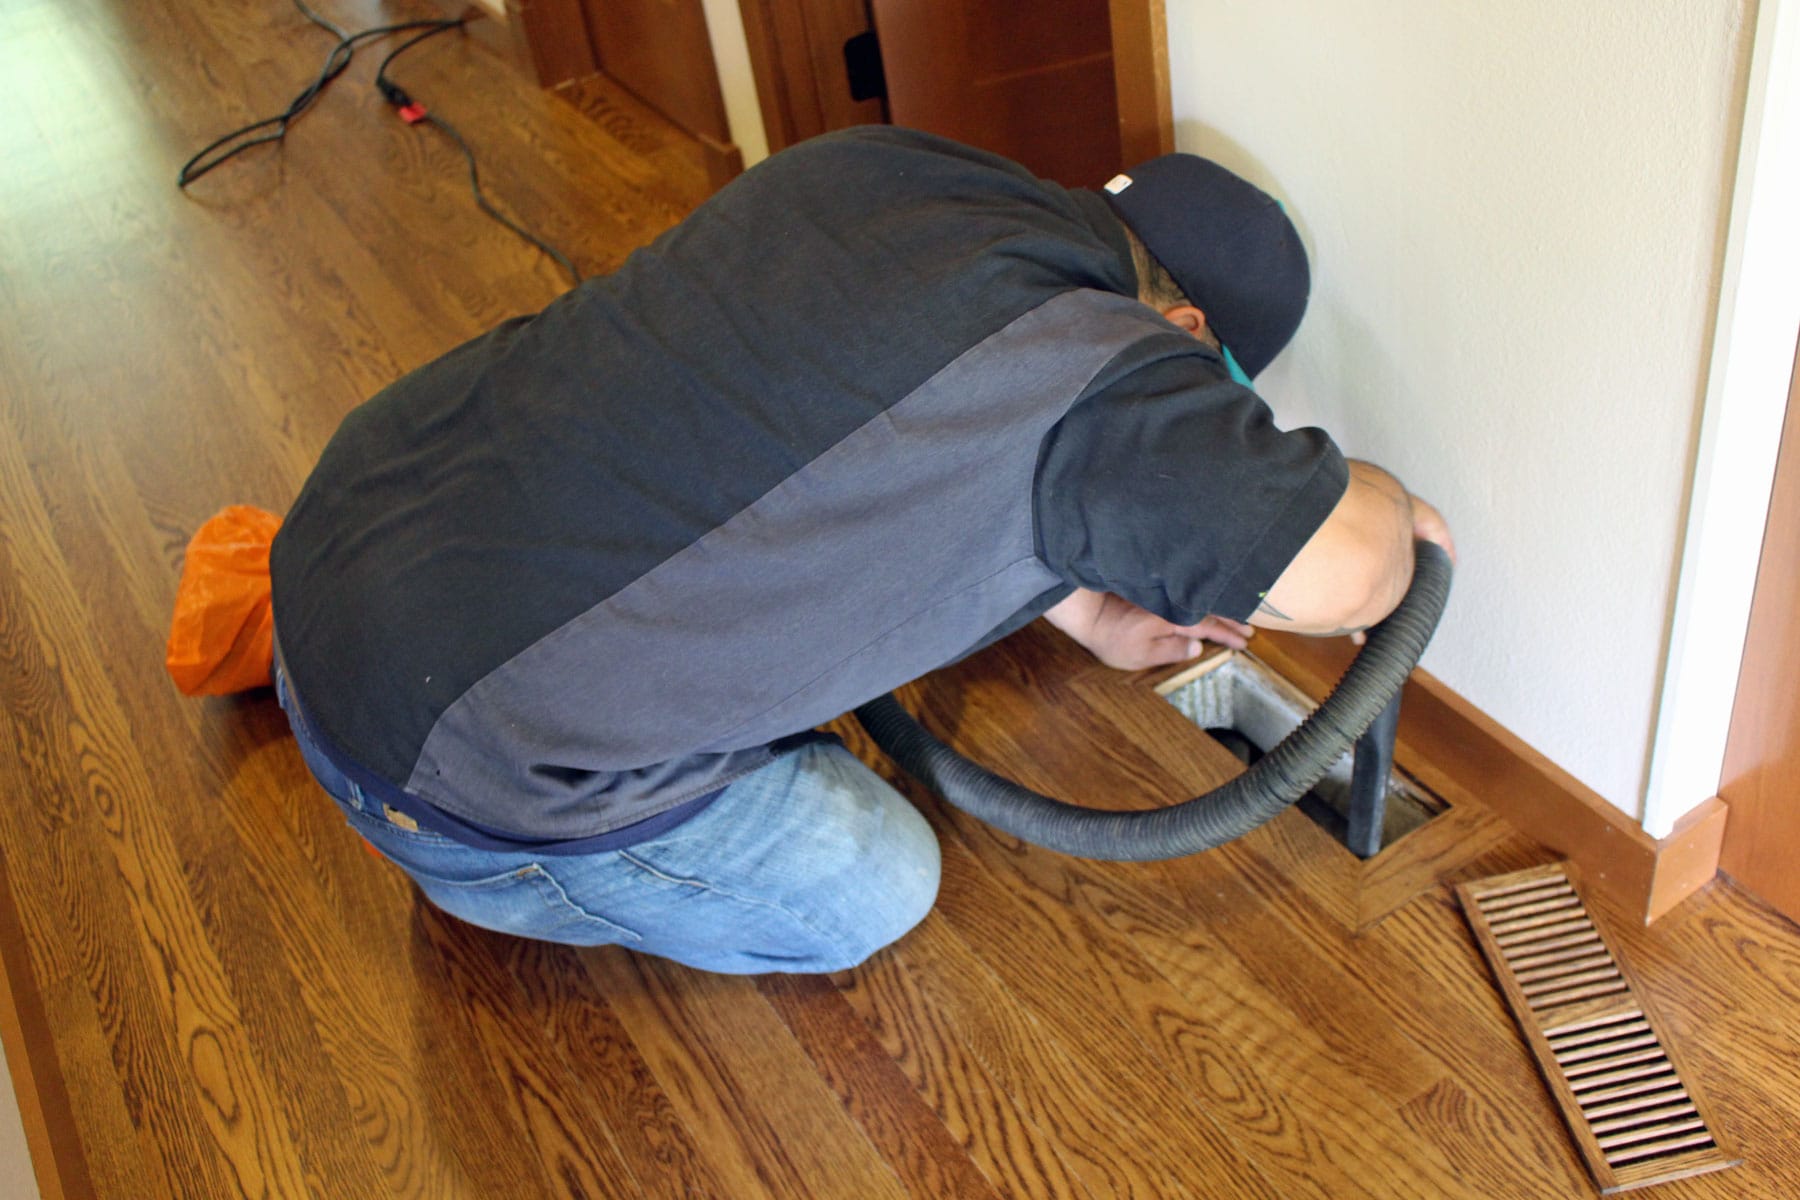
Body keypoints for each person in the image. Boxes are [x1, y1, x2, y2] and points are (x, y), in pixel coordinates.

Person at [270, 126, 1453, 975]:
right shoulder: (1107, 365)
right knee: (870, 889)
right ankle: (508, 890)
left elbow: (874, 417)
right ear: (1186, 332)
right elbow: (1350, 569)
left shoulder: (896, 169)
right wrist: (1404, 520)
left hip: (344, 529)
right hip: (445, 769)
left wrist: (1082, 608)